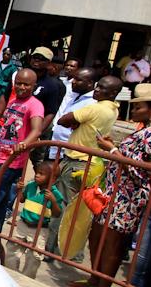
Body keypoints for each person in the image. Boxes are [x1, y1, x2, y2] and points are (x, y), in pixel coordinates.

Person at [72, 84, 151, 287]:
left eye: (139, 107)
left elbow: (142, 170)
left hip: (127, 199)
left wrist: (112, 149)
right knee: (98, 236)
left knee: (112, 244)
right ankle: (95, 280)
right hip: (115, 193)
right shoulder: (143, 130)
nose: (134, 110)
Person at [44, 74, 122, 257]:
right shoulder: (113, 110)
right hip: (93, 163)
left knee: (61, 206)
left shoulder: (94, 108)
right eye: (97, 86)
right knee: (79, 211)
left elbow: (63, 120)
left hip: (77, 162)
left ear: (113, 93)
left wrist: (75, 123)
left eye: (102, 88)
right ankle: (74, 253)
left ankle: (52, 251)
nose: (97, 90)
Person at [0, 69, 45, 255]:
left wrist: (24, 144)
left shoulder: (35, 105)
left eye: (27, 84)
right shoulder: (14, 101)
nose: (22, 87)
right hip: (0, 157)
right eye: (19, 83)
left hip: (12, 163)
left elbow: (37, 130)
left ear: (34, 86)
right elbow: (7, 129)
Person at [0, 47, 64, 167]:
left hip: (34, 129)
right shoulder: (18, 75)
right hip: (10, 125)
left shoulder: (53, 85)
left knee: (31, 161)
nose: (37, 60)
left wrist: (36, 133)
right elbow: (4, 97)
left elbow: (51, 112)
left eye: (42, 59)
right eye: (35, 57)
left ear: (49, 62)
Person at [7, 162, 65, 278]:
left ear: (52, 179)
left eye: (41, 174)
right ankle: (10, 272)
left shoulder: (54, 194)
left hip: (39, 229)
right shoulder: (31, 185)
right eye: (36, 172)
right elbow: (22, 200)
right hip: (23, 223)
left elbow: (57, 214)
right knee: (13, 249)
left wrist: (53, 201)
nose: (37, 175)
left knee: (34, 256)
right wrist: (19, 190)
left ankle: (27, 279)